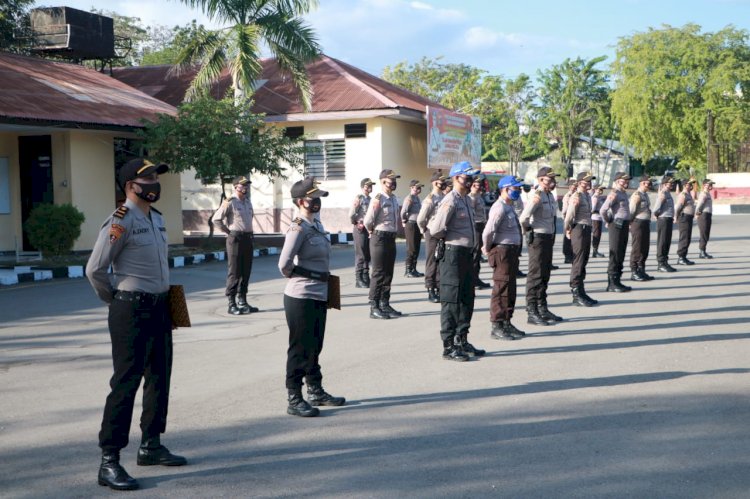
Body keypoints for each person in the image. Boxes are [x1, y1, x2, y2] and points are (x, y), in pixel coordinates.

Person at [86, 158, 186, 491]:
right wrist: (115, 300)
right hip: (131, 309)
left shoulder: (156, 219)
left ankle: (151, 445)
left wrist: (171, 306)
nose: (156, 182)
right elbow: (95, 269)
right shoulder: (120, 220)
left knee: (160, 377)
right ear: (131, 186)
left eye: (157, 176)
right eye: (149, 178)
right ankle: (109, 460)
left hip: (163, 305)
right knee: (126, 383)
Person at [278, 177, 345, 418]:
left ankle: (315, 390)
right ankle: (294, 396)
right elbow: (283, 265)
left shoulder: (316, 225)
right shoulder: (298, 228)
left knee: (315, 345)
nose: (316, 202)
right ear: (300, 201)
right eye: (312, 198)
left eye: (318, 198)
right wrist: (309, 276)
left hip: (320, 292)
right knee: (300, 348)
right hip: (301, 295)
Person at [428, 161, 486, 361]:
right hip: (453, 254)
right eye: (467, 177)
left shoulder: (466, 200)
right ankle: (449, 345)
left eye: (471, 177)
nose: (470, 181)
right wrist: (449, 239)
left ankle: (462, 339)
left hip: (466, 254)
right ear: (456, 178)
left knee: (466, 298)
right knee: (451, 301)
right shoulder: (450, 200)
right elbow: (435, 229)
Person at [483, 175, 526, 340]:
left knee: (510, 288)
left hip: (511, 252)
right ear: (505, 189)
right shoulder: (499, 207)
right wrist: (487, 248)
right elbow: (488, 231)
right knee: (501, 289)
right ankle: (497, 324)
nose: (518, 191)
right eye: (515, 188)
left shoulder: (509, 206)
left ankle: (507, 321)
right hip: (502, 251)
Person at [519, 167, 563, 326]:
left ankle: (542, 307)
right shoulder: (536, 196)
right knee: (535, 275)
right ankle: (532, 311)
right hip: (537, 238)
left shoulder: (550, 195)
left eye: (553, 180)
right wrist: (528, 232)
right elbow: (523, 218)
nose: (552, 182)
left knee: (545, 274)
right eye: (549, 179)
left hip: (548, 237)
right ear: (540, 180)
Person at [212, 176, 258, 315]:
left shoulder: (248, 202)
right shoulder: (230, 202)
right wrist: (228, 232)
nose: (246, 187)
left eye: (247, 185)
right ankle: (231, 304)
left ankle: (242, 301)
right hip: (235, 239)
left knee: (246, 271)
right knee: (235, 272)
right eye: (243, 185)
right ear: (235, 187)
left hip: (247, 239)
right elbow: (216, 219)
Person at [364, 169, 402, 319]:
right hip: (379, 238)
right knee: (379, 273)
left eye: (395, 180)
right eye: (391, 180)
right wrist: (372, 231)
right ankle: (374, 306)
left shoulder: (393, 199)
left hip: (390, 237)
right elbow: (368, 221)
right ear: (383, 182)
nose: (394, 183)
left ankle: (384, 303)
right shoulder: (378, 199)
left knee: (388, 272)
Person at [564, 171, 598, 306]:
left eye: (590, 181)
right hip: (579, 229)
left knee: (584, 259)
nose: (588, 183)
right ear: (579, 183)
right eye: (586, 181)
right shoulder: (576, 196)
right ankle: (576, 292)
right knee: (578, 260)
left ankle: (581, 290)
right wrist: (567, 229)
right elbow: (569, 216)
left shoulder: (586, 195)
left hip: (586, 228)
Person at [600, 171, 633, 292]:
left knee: (621, 252)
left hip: (624, 224)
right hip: (616, 225)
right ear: (617, 182)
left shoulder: (623, 193)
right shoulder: (614, 194)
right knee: (615, 253)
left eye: (626, 180)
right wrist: (608, 220)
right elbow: (603, 210)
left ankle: (618, 280)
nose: (626, 182)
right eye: (623, 181)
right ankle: (612, 283)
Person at [417, 171, 447, 303]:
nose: (443, 183)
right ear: (435, 183)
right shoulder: (430, 199)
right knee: (432, 262)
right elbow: (421, 218)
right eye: (441, 181)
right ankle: (430, 289)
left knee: (441, 261)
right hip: (431, 232)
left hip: (442, 233)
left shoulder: (444, 197)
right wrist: (424, 230)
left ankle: (440, 287)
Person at [629, 175, 655, 281]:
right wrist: (630, 223)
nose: (649, 185)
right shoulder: (637, 195)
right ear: (642, 183)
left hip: (645, 223)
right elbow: (631, 211)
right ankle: (634, 271)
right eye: (648, 183)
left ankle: (641, 269)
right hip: (637, 223)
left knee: (645, 247)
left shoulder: (645, 194)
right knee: (637, 247)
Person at [350, 178, 375, 288]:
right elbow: (351, 213)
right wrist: (355, 223)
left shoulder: (370, 199)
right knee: (361, 254)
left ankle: (365, 275)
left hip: (368, 228)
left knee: (367, 253)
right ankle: (358, 279)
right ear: (362, 187)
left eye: (371, 185)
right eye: (367, 185)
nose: (370, 187)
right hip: (360, 228)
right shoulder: (359, 198)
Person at [469, 176, 491, 289]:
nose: (479, 187)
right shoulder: (471, 198)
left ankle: (476, 278)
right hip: (475, 226)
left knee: (478, 255)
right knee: (475, 254)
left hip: (481, 224)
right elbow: (471, 214)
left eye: (480, 184)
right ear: (472, 185)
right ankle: (472, 280)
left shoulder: (478, 196)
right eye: (477, 185)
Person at [653, 175, 677, 272]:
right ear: (664, 184)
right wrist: (659, 215)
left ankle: (665, 262)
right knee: (662, 242)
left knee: (667, 241)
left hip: (668, 219)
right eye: (669, 183)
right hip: (663, 219)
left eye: (672, 183)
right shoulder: (662, 194)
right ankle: (661, 263)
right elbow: (655, 209)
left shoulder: (668, 193)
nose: (671, 185)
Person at [401, 179, 425, 278]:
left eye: (420, 188)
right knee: (411, 248)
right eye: (417, 187)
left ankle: (413, 268)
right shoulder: (409, 198)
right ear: (411, 188)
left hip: (417, 225)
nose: (419, 189)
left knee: (417, 247)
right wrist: (404, 220)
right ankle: (408, 269)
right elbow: (403, 211)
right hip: (411, 224)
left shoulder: (417, 198)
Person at [674, 178, 698, 265]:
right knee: (684, 237)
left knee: (687, 237)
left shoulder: (688, 194)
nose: (691, 186)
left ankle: (684, 256)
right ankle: (681, 257)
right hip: (684, 218)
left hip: (688, 218)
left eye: (692, 184)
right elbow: (678, 207)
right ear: (685, 185)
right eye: (689, 184)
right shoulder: (683, 195)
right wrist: (675, 217)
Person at [696, 179, 715, 259]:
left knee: (706, 233)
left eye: (711, 184)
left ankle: (703, 251)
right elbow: (699, 204)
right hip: (704, 215)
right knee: (704, 234)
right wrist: (698, 213)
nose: (711, 186)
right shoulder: (703, 194)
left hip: (707, 215)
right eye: (709, 184)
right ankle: (702, 252)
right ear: (704, 185)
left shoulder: (707, 194)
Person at [560, 179, 577, 264]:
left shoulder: (577, 195)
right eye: (574, 186)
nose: (575, 188)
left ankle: (572, 255)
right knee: (567, 238)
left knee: (573, 238)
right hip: (569, 219)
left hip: (575, 220)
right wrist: (566, 220)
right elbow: (565, 210)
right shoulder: (568, 196)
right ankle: (567, 256)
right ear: (570, 187)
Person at [590, 185, 606, 258]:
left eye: (602, 189)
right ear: (595, 189)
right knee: (596, 234)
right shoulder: (595, 198)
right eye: (599, 189)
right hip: (595, 218)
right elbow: (592, 209)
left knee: (598, 234)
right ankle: (595, 251)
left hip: (599, 218)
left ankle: (595, 250)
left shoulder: (599, 197)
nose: (601, 191)